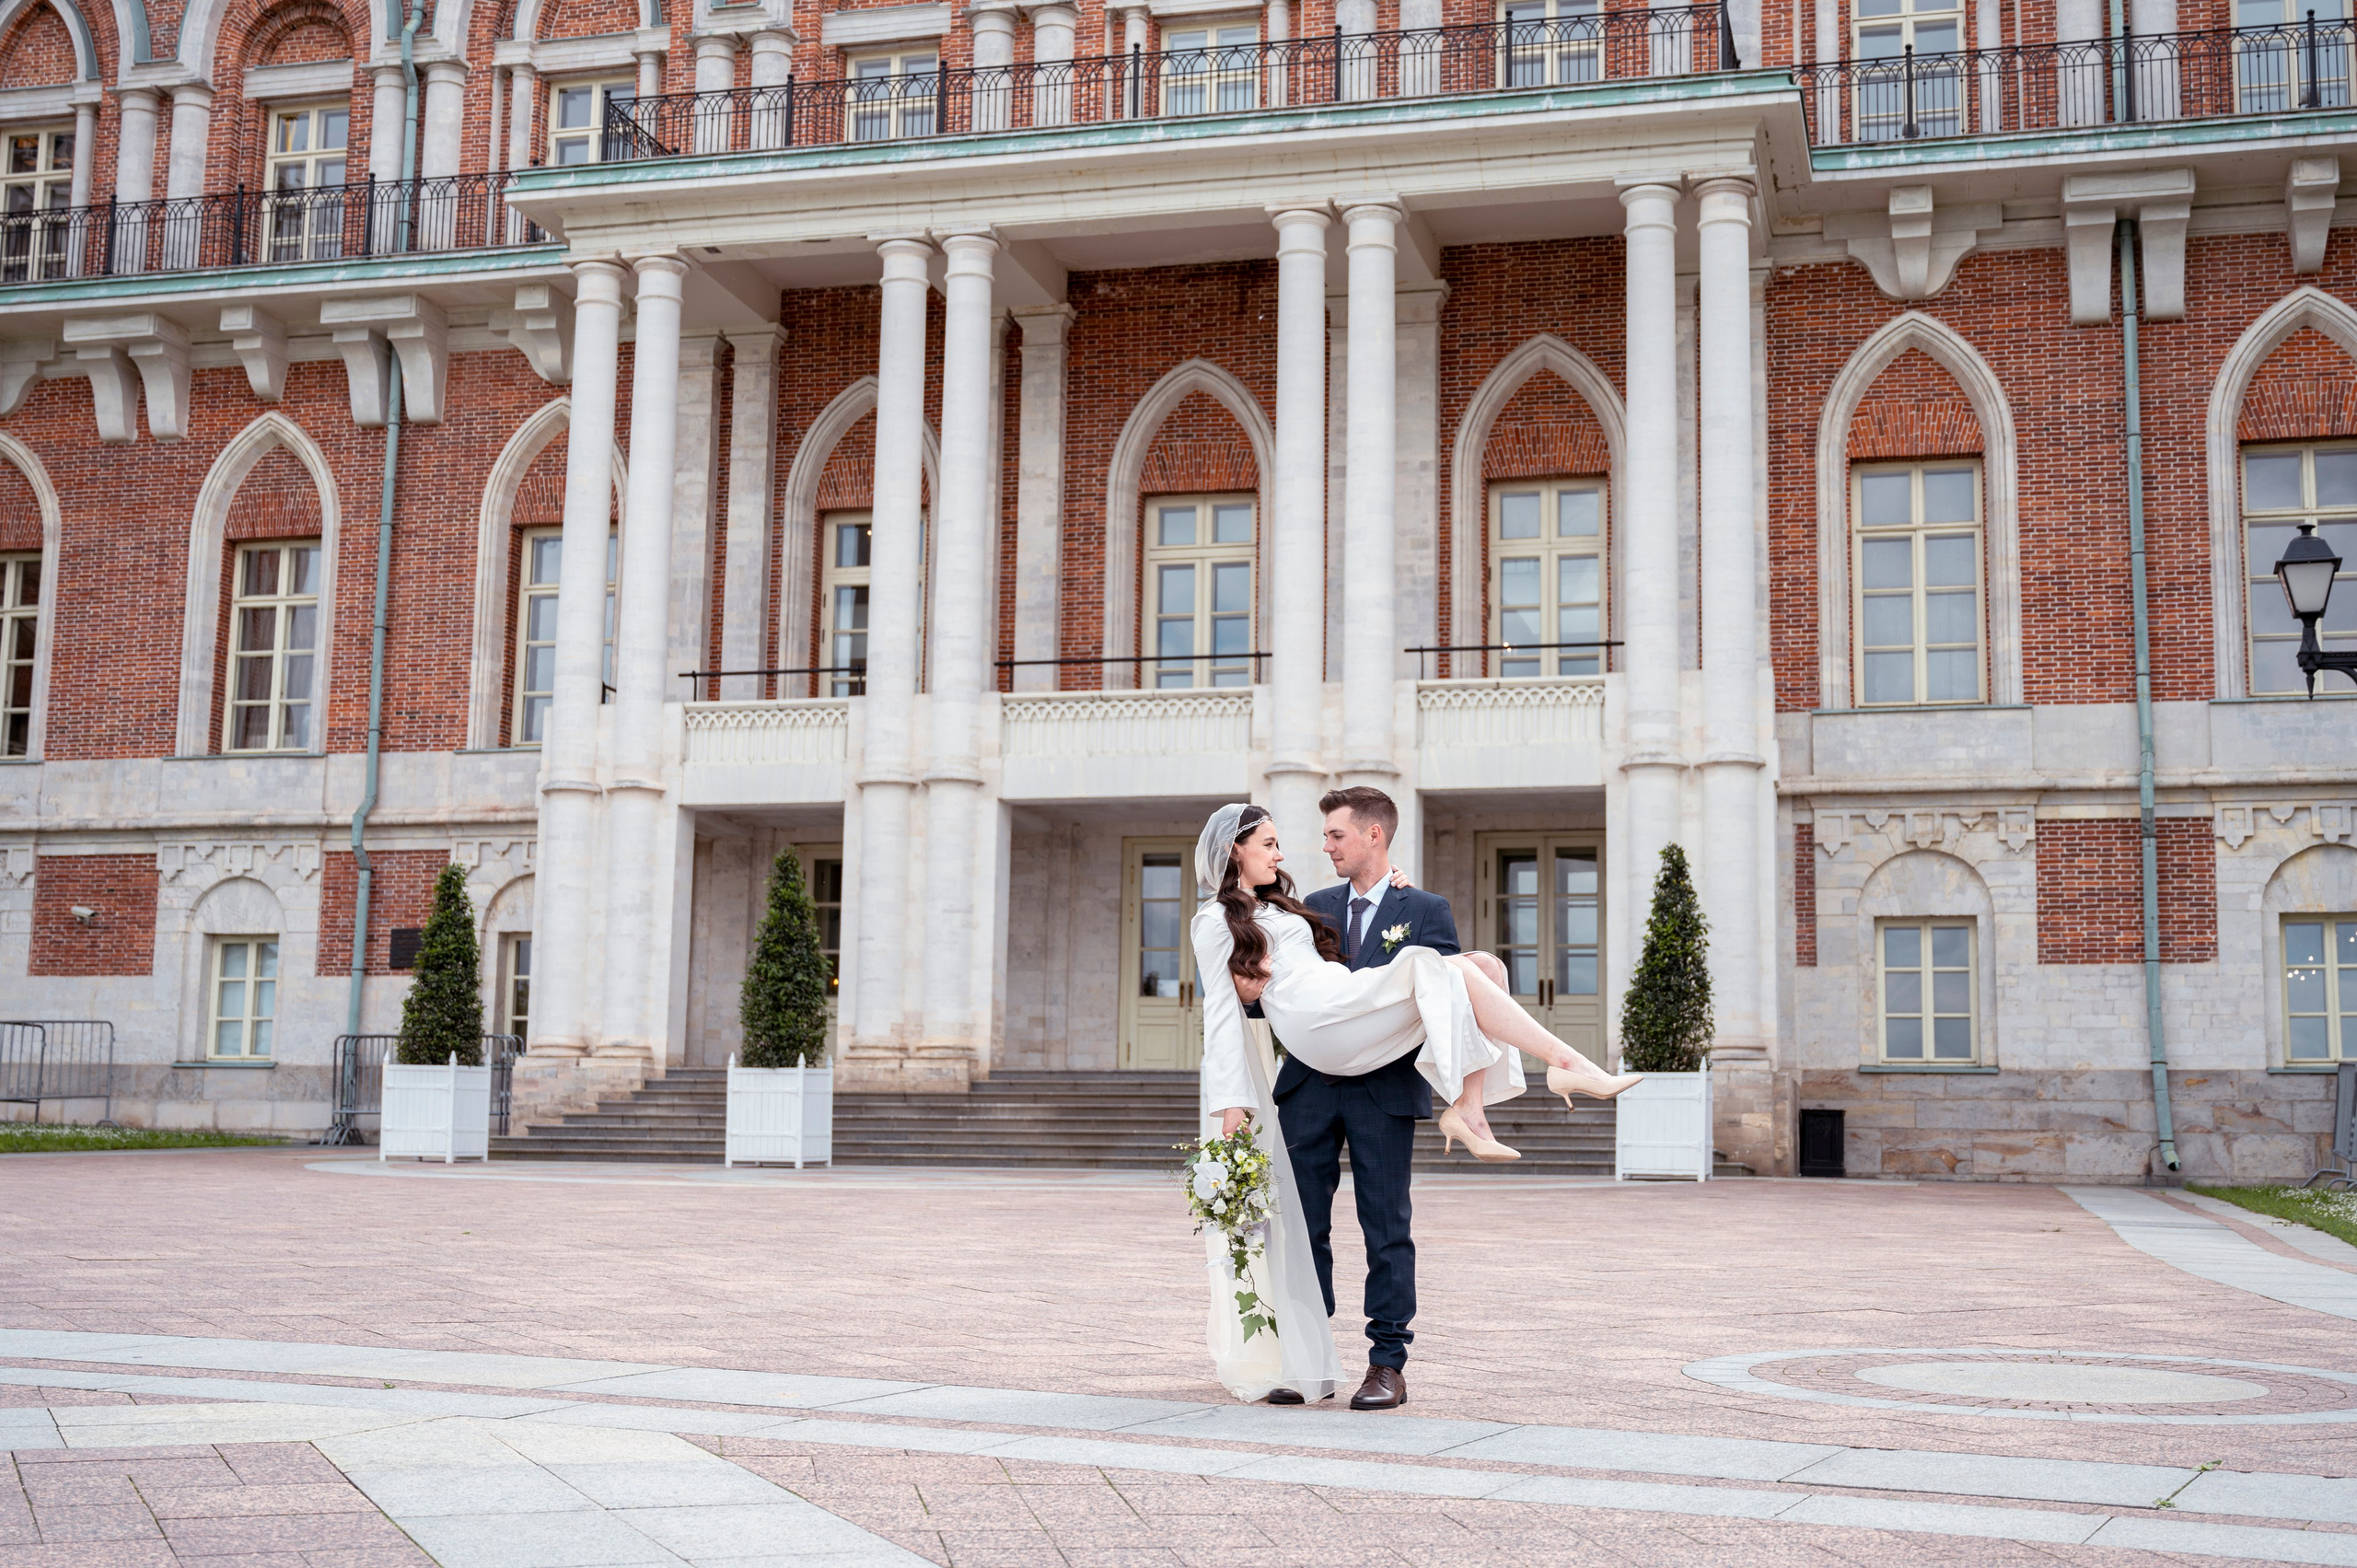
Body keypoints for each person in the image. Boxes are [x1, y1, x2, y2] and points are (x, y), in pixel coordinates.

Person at [1193, 800, 1641, 1411]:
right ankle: (1307, 1359)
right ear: (1234, 852)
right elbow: (1229, 1011)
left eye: (1335, 834)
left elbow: (1454, 1005)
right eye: (1272, 842)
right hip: (1313, 1065)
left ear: (1373, 836)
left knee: (1475, 966)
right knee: (1304, 1231)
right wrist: (1232, 1105)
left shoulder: (1415, 905)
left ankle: (1386, 1363)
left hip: (1377, 1070)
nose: (1312, 848)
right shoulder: (1278, 908)